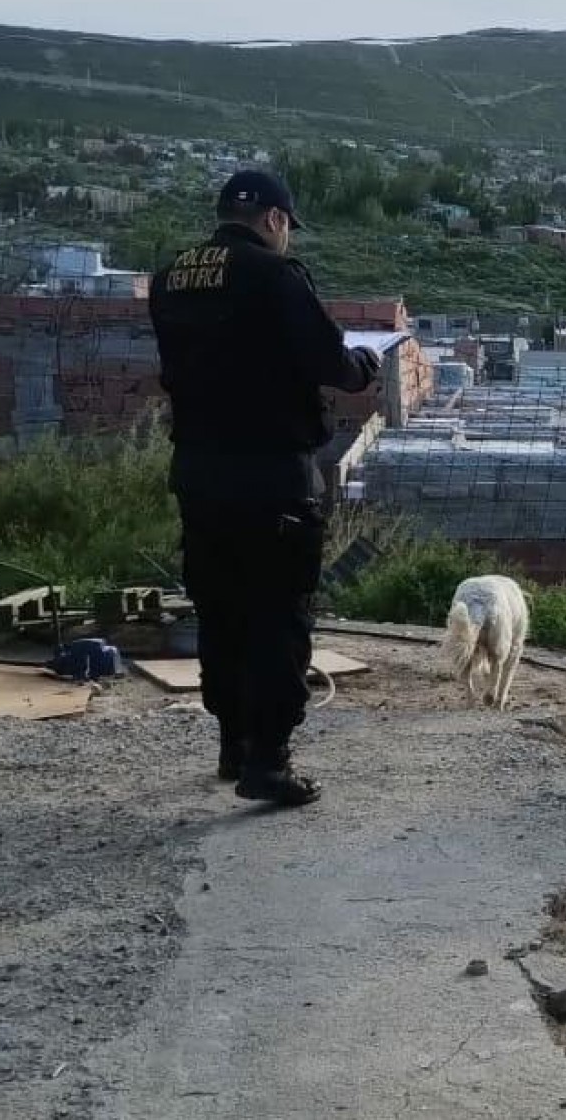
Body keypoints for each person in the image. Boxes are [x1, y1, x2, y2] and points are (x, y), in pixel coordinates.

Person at [148, 169, 382, 807]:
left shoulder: (173, 274)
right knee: (279, 614)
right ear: (276, 220)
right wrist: (366, 365)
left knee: (221, 611)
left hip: (199, 470)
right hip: (271, 473)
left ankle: (232, 743)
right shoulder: (277, 275)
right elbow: (328, 360)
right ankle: (269, 762)